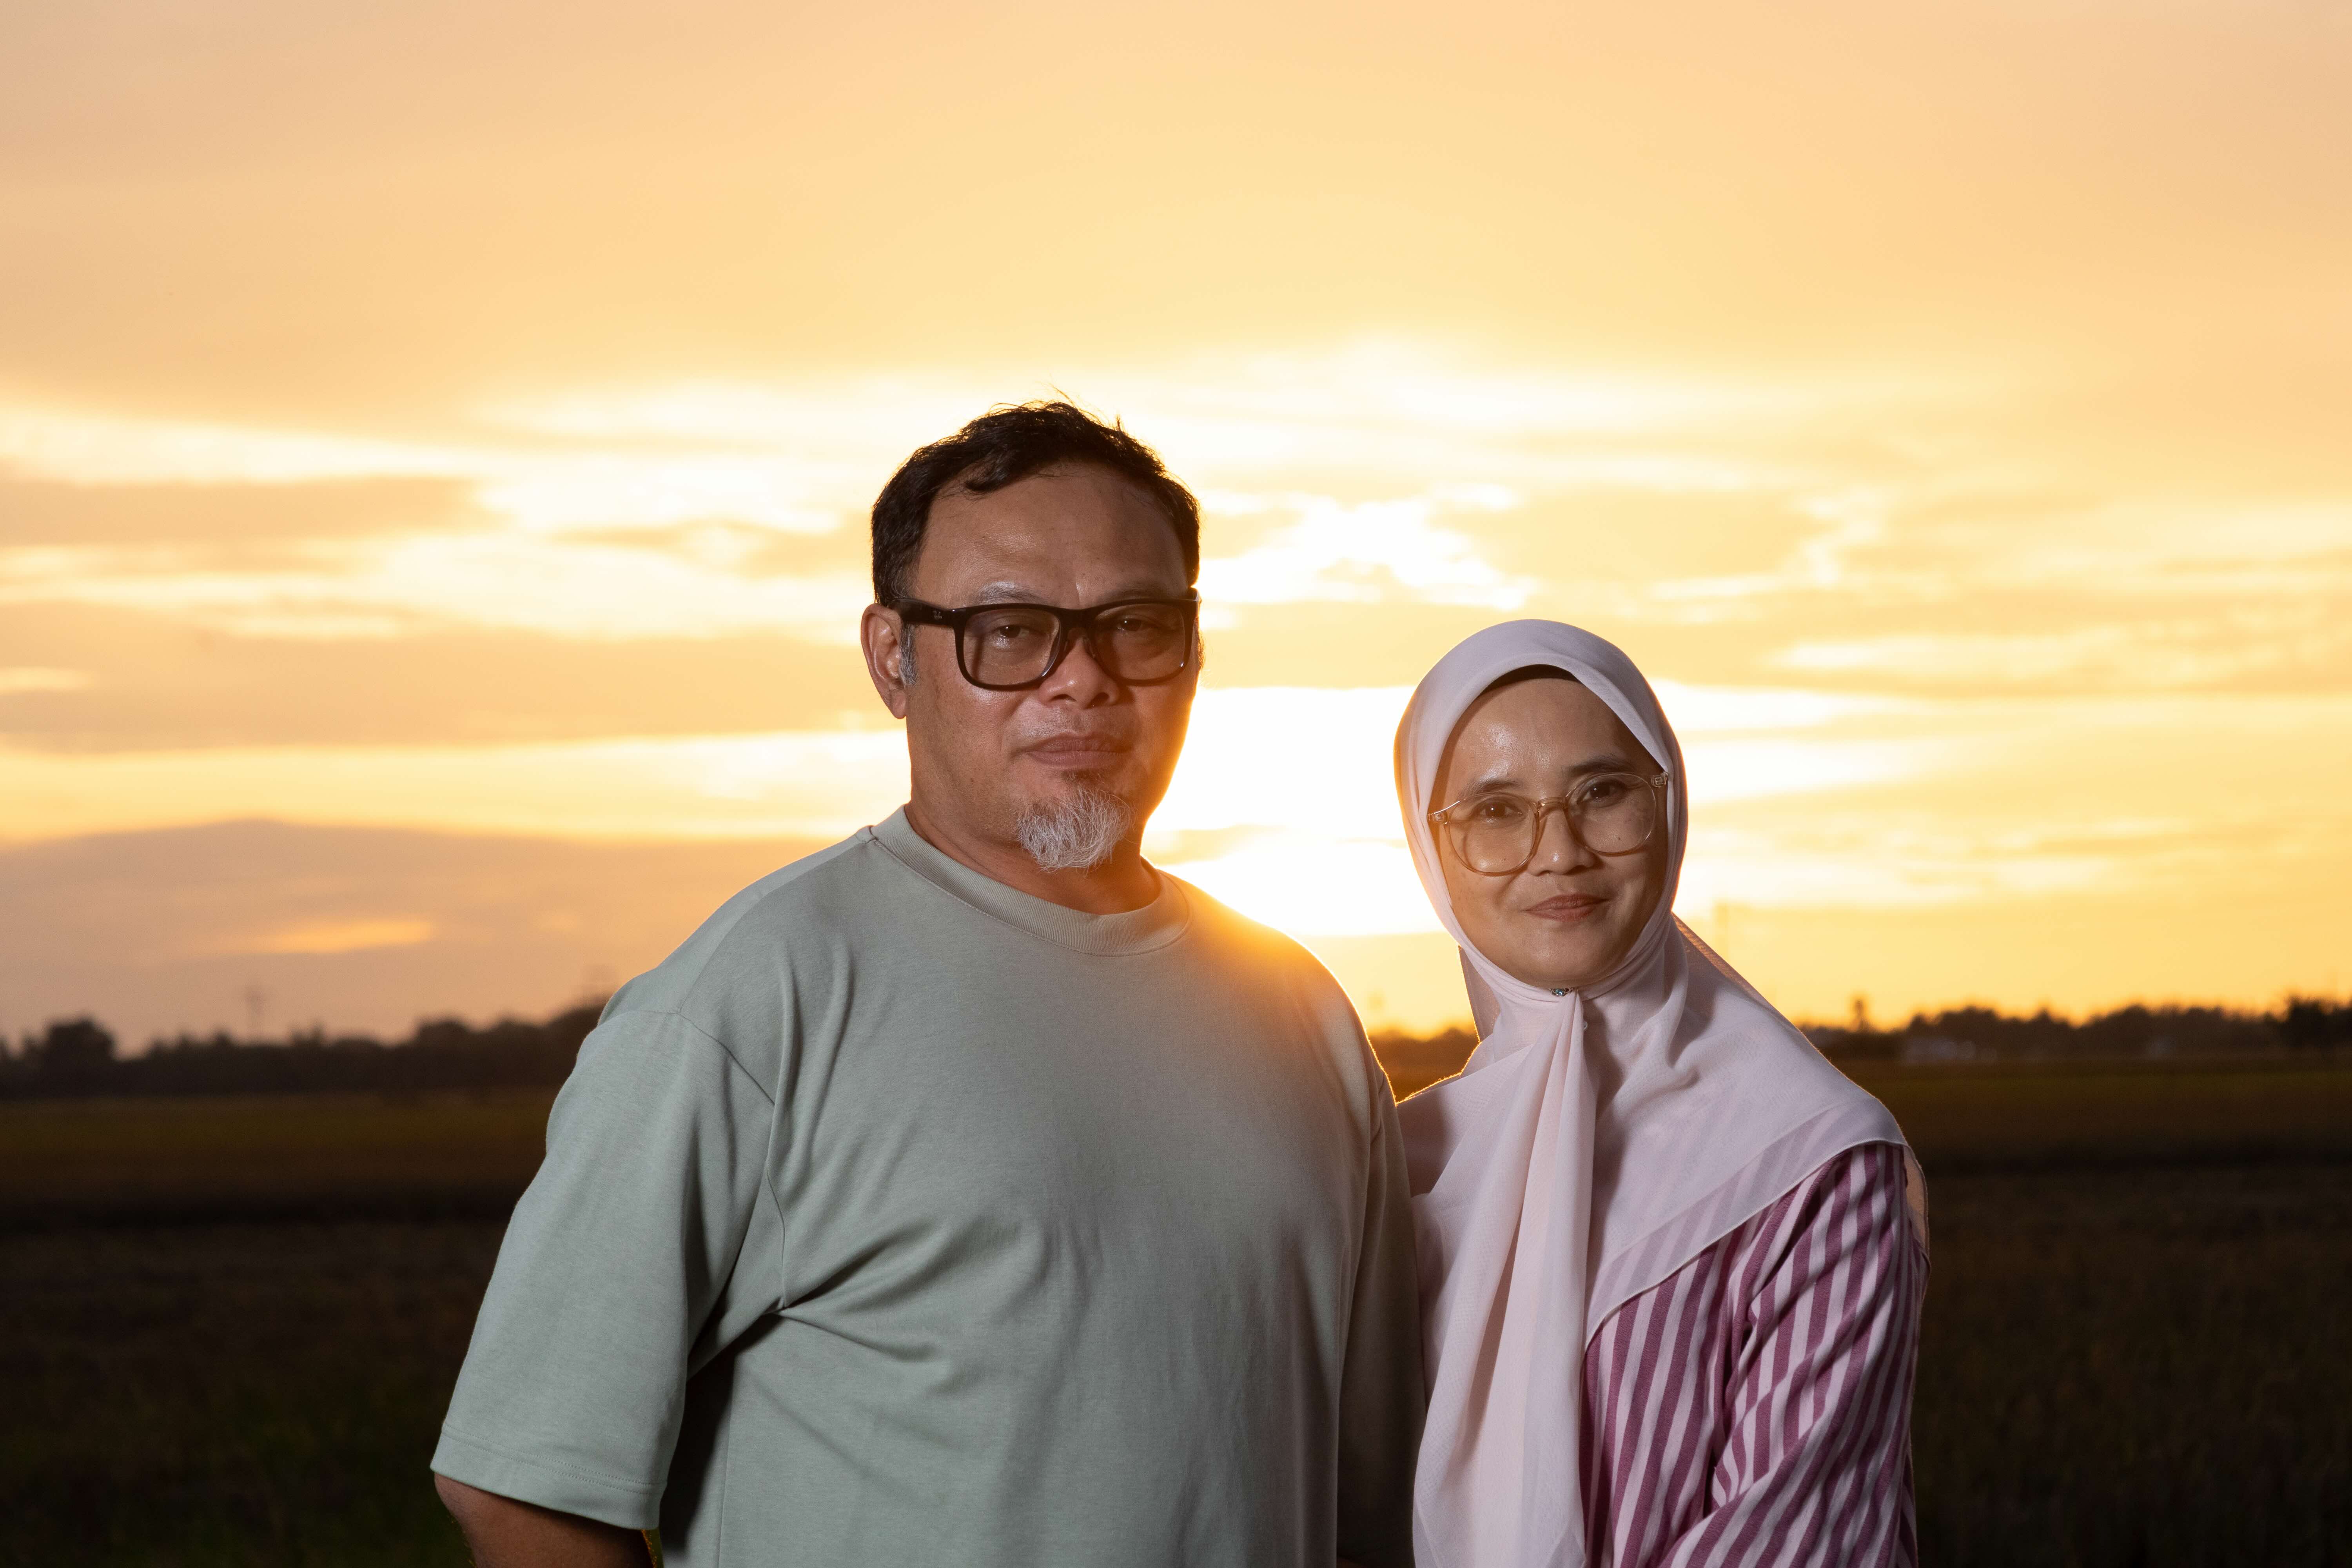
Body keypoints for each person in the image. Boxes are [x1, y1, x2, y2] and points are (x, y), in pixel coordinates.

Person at [430, 402, 1423, 1568]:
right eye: (1009, 631)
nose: (1081, 680)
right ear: (891, 657)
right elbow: (524, 1489)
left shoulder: (1303, 1015)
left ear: (1194, 653)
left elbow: (1373, 1507)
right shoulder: (749, 1003)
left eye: (1135, 625)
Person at [1392, 621, 1927, 1568]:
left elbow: (1793, 1541)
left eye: (1603, 792)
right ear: (1430, 849)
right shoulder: (1395, 1161)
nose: (1559, 852)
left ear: (1668, 802)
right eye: (1496, 809)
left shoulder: (1816, 1160)